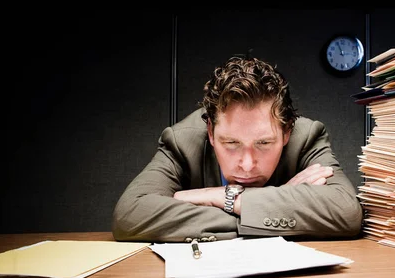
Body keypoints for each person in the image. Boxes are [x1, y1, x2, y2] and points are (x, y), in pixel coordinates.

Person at [112, 55, 363, 243]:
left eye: (263, 143)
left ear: (287, 133)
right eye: (231, 144)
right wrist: (266, 206)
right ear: (210, 132)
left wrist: (224, 199)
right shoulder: (181, 142)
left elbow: (346, 211)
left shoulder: (306, 137)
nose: (247, 163)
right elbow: (130, 216)